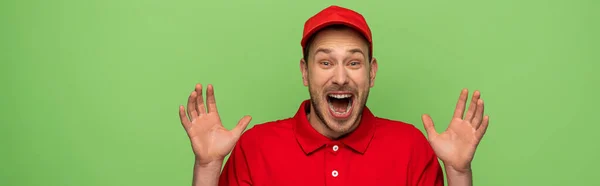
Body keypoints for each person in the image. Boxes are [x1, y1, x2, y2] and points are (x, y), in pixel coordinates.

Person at [177, 5, 489, 186]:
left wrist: (459, 173)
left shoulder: (411, 149)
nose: (340, 77)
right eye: (325, 62)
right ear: (304, 72)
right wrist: (206, 169)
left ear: (372, 72)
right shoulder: (255, 148)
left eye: (354, 62)